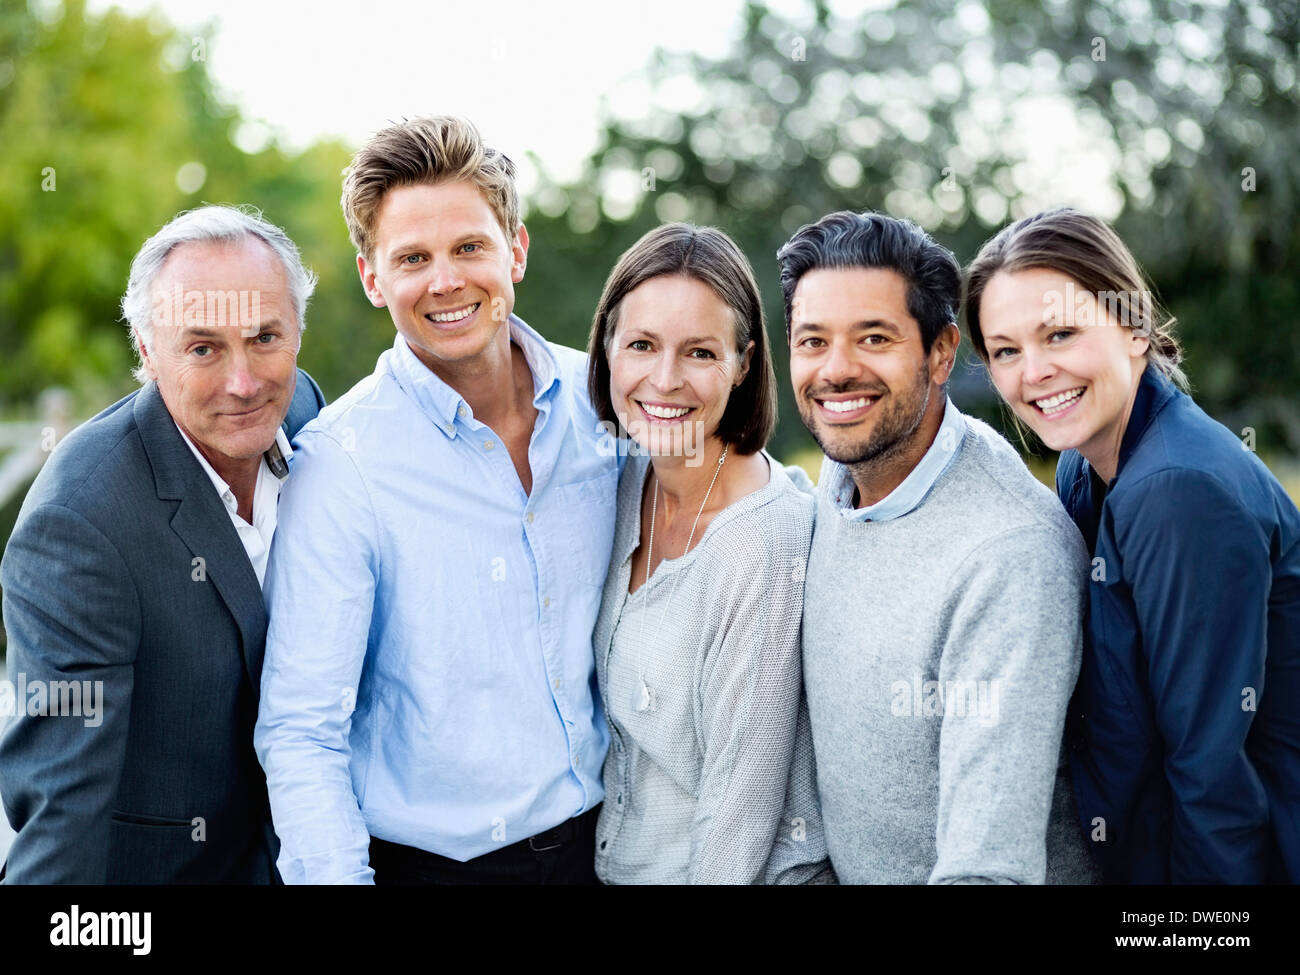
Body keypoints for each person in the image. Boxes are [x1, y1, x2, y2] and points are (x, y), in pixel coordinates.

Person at [254, 116, 618, 885]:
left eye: (469, 247)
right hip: (437, 869)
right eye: (412, 258)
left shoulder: (604, 404)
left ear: (514, 249)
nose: (446, 281)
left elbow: (724, 483)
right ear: (372, 276)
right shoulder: (341, 463)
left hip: (611, 850)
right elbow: (300, 730)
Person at [964, 207, 1300, 883]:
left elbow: (1212, 772)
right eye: (1005, 350)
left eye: (1060, 333)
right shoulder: (1083, 468)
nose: (1033, 372)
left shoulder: (1177, 489)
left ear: (1134, 329)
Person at [0, 205, 325, 883]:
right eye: (203, 347)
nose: (244, 382)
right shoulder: (79, 522)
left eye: (265, 337)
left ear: (297, 329)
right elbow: (62, 812)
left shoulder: (307, 411)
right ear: (147, 354)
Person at [779, 210, 1099, 884]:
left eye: (873, 337)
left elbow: (988, 869)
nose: (836, 371)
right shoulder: (839, 478)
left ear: (941, 351)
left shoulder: (1009, 557)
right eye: (812, 341)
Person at [586, 223, 830, 884]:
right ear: (607, 347)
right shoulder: (624, 483)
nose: (664, 380)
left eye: (699, 352)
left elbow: (737, 818)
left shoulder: (764, 543)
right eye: (640, 344)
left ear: (744, 363)